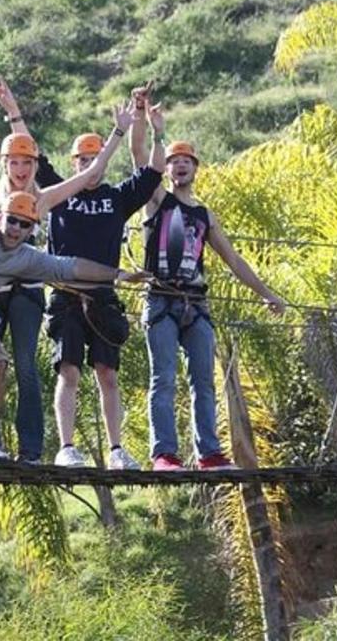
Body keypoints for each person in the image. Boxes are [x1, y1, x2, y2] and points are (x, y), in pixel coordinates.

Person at [0, 183, 149, 459]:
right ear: (1, 218)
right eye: (12, 220)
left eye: (24, 225)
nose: (15, 229)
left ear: (31, 230)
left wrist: (117, 275)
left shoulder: (26, 258)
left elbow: (71, 266)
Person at [0, 79, 130, 464]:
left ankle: (31, 450)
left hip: (26, 289)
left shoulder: (40, 199)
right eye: (15, 163)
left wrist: (121, 131)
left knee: (25, 366)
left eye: (28, 164)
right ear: (3, 164)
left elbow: (87, 178)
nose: (22, 169)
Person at [130, 90, 286, 471]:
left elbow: (232, 259)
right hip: (162, 299)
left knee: (204, 381)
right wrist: (151, 127)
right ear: (167, 170)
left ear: (195, 169)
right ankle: (164, 454)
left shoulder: (204, 215)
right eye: (174, 163)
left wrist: (266, 293)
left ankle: (209, 453)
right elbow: (137, 158)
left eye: (186, 162)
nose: (180, 166)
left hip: (196, 303)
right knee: (163, 378)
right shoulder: (157, 201)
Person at [36, 99, 167, 471]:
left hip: (103, 297)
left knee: (108, 374)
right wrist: (13, 110)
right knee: (69, 370)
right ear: (73, 163)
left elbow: (156, 169)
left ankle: (116, 449)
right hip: (66, 292)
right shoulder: (60, 192)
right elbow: (28, 150)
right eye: (81, 159)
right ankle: (66, 446)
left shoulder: (116, 198)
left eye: (90, 158)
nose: (86, 165)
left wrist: (157, 129)